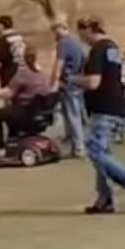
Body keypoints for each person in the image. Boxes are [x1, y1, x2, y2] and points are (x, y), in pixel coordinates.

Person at [74, 17, 125, 213]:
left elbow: (93, 82)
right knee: (102, 153)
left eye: (81, 33)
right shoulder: (113, 47)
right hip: (115, 105)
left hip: (104, 107)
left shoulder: (98, 49)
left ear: (88, 30)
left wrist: (72, 80)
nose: (81, 38)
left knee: (95, 151)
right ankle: (105, 199)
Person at [52, 19, 88, 151]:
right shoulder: (76, 43)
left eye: (55, 31)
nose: (54, 34)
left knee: (72, 115)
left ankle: (78, 146)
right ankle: (76, 141)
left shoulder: (63, 43)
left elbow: (59, 64)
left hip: (67, 83)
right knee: (78, 113)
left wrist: (54, 82)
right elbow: (84, 60)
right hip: (78, 82)